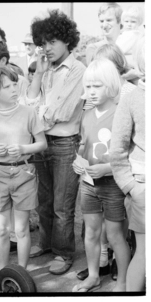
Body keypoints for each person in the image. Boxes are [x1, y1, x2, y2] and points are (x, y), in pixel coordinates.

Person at [0, 66, 47, 292]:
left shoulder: (28, 112)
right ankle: (3, 274)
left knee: (22, 230)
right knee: (3, 230)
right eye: (7, 86)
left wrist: (24, 148)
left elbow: (42, 143)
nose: (14, 89)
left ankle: (21, 275)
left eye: (15, 84)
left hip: (24, 174)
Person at [25, 9, 86, 276]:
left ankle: (64, 253)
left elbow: (59, 113)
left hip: (64, 143)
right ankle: (47, 243)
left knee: (62, 203)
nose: (47, 48)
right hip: (43, 142)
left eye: (53, 42)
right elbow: (28, 104)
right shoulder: (45, 68)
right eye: (43, 43)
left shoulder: (78, 69)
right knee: (44, 198)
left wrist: (37, 113)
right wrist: (38, 75)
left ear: (67, 40)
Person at [77, 42, 136, 282]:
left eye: (97, 86)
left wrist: (108, 168)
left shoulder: (123, 112)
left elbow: (129, 156)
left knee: (114, 236)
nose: (91, 91)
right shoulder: (86, 114)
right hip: (88, 184)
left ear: (111, 84)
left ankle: (122, 282)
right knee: (90, 233)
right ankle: (93, 275)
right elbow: (82, 146)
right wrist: (78, 162)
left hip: (114, 185)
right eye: (88, 86)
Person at [110, 37, 145, 292]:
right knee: (144, 254)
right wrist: (131, 186)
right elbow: (118, 149)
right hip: (143, 187)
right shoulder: (133, 97)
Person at [116, 5, 144, 83]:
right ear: (122, 21)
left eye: (133, 22)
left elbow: (119, 49)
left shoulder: (133, 34)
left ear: (139, 22)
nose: (129, 24)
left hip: (130, 67)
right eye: (126, 21)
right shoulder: (127, 34)